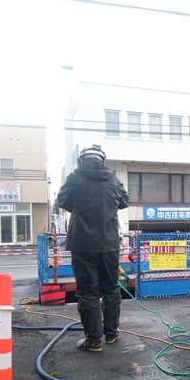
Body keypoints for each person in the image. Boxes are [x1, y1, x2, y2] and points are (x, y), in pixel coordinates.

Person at [57, 144, 129, 352]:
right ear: (102, 160)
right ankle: (111, 334)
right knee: (111, 288)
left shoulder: (75, 178)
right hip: (109, 243)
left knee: (88, 292)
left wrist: (80, 209)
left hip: (83, 243)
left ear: (82, 161)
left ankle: (94, 339)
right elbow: (124, 201)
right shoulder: (112, 179)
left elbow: (62, 201)